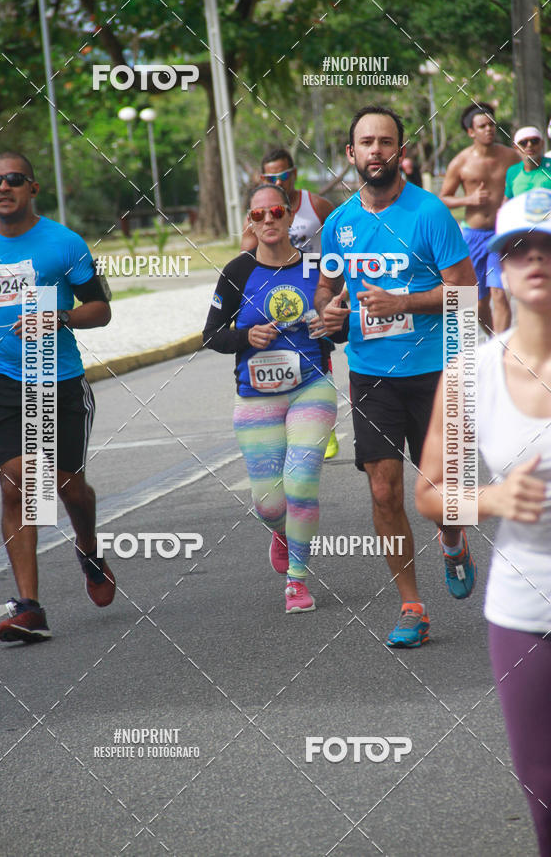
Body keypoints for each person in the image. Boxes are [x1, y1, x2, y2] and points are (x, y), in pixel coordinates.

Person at [416, 188, 551, 854]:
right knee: (543, 788)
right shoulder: (472, 374)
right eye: (518, 248)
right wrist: (492, 502)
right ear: (498, 265)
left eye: (548, 246)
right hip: (523, 607)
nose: (535, 259)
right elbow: (432, 494)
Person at [315, 104, 478, 648]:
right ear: (351, 153)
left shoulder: (429, 213)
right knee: (384, 489)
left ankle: (452, 540)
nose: (376, 151)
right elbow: (326, 293)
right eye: (367, 142)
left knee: (440, 496)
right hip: (371, 374)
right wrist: (332, 315)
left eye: (386, 142)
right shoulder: (339, 225)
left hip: (435, 369)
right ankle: (412, 604)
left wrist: (402, 300)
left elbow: (465, 292)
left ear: (400, 152)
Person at [0, 152, 114, 643]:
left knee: (68, 488)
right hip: (1, 381)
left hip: (57, 379)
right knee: (16, 481)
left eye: (14, 179)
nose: (3, 187)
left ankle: (86, 544)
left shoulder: (64, 244)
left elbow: (101, 309)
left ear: (33, 187)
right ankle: (30, 607)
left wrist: (58, 317)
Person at [204, 182, 344, 613]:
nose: (268, 221)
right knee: (269, 505)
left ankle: (297, 581)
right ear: (251, 221)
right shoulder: (237, 272)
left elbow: (345, 323)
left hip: (310, 387)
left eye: (276, 213)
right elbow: (211, 335)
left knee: (301, 485)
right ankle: (281, 532)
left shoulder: (319, 267)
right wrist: (246, 335)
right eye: (259, 215)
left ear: (289, 217)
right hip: (255, 396)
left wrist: (331, 326)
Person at [241, 148, 341, 459]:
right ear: (261, 178)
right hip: (277, 289)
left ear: (293, 174)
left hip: (313, 281)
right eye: (270, 177)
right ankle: (291, 417)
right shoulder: (260, 212)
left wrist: (332, 274)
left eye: (283, 175)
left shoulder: (316, 204)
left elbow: (337, 235)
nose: (278, 181)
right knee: (283, 350)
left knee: (317, 344)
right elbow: (244, 254)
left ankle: (322, 417)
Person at [440, 102, 519, 333]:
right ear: (471, 132)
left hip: (500, 234)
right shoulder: (461, 162)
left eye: (492, 124)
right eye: (483, 125)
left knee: (499, 293)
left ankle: (503, 348)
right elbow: (443, 198)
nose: (489, 129)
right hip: (473, 235)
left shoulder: (511, 157)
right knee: (477, 301)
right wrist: (469, 200)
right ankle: (494, 340)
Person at [504, 126, 551, 200]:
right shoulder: (512, 171)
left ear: (542, 144)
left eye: (534, 141)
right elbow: (507, 203)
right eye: (523, 143)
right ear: (516, 148)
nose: (529, 145)